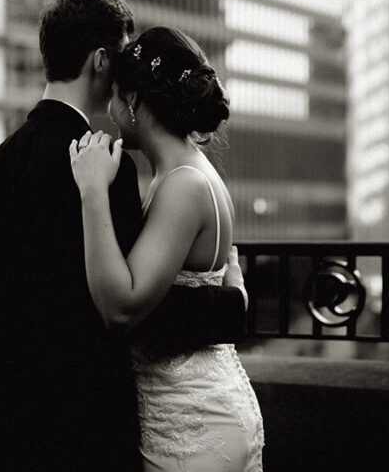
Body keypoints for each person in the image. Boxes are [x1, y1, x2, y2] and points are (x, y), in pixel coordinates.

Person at [0, 0, 248, 471]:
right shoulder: (106, 166)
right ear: (99, 61)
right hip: (88, 424)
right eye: (120, 56)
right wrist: (229, 303)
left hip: (12, 418)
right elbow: (133, 309)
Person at [69, 26, 264, 471]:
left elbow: (121, 307)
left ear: (134, 100)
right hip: (201, 413)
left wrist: (92, 189)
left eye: (117, 96)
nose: (111, 109)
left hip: (194, 427)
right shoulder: (185, 173)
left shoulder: (183, 184)